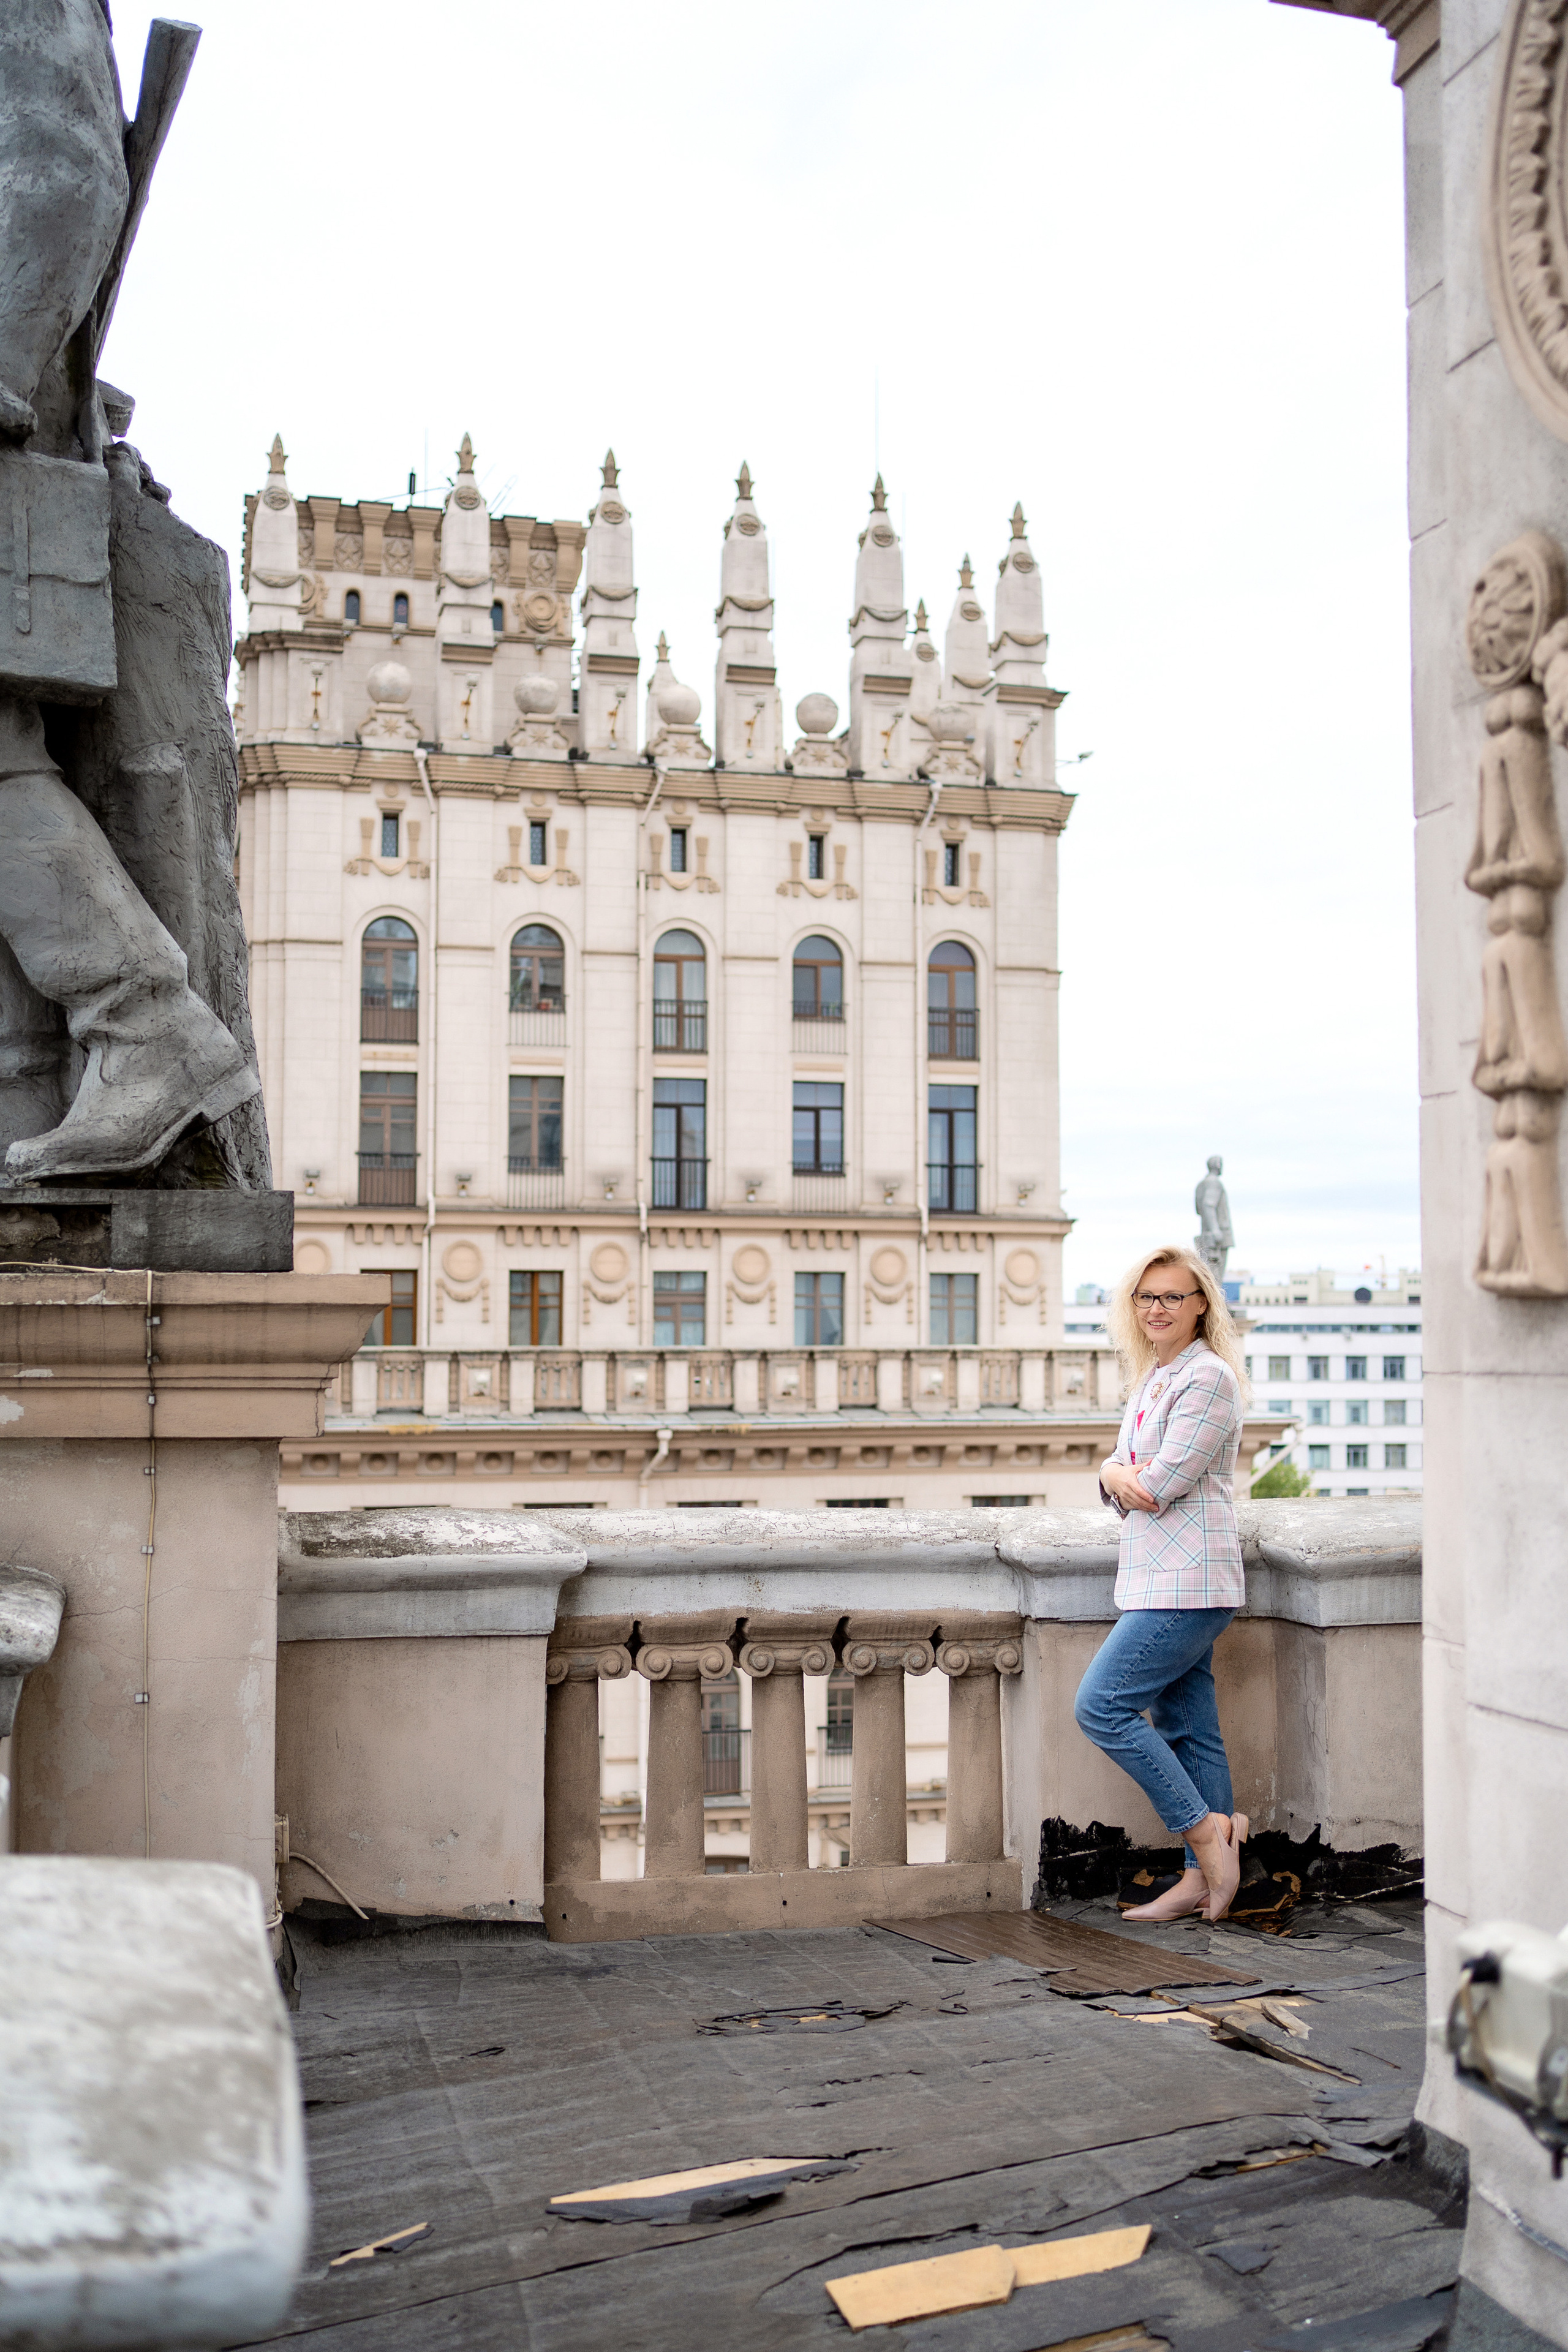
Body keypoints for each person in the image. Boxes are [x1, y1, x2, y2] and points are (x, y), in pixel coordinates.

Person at [1073, 1243, 1249, 1922]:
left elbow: (1153, 1485)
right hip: (1156, 1579)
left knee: (1101, 1706)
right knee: (1187, 1727)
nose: (1157, 1308)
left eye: (1172, 1296)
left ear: (1201, 1304)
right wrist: (1116, 1472)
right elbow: (1125, 1469)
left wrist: (1113, 1474)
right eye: (1146, 1297)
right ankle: (1203, 1882)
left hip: (1191, 1582)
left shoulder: (1207, 1380)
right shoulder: (1155, 1378)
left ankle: (1205, 1836)